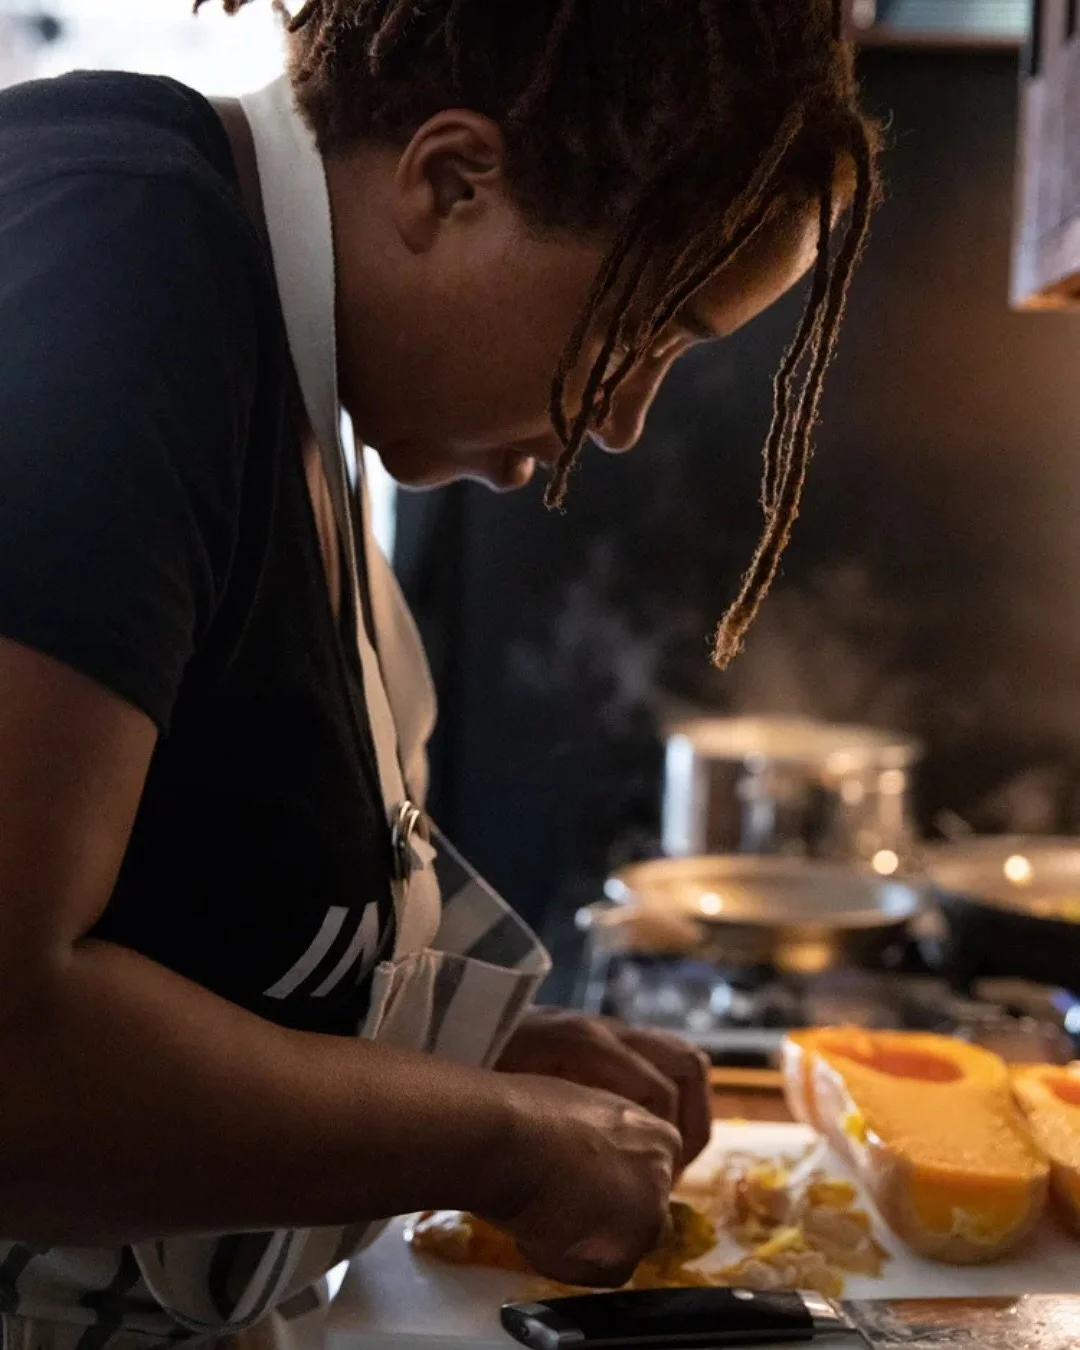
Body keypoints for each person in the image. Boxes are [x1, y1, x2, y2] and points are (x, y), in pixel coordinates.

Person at [0, 2, 879, 1348]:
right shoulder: (120, 262)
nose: (629, 414)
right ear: (449, 181)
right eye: (644, 325)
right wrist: (493, 1138)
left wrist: (468, 1059)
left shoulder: (275, 349)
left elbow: (173, 926)